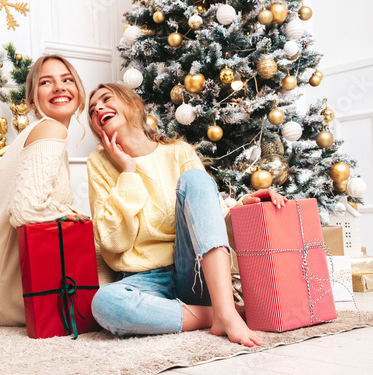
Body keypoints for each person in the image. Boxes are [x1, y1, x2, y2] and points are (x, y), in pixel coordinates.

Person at [86, 83, 287, 347]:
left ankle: (224, 310)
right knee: (106, 304)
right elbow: (114, 242)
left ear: (134, 105)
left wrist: (244, 205)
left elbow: (210, 219)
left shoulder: (178, 151)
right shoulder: (98, 163)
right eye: (91, 110)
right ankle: (221, 314)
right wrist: (128, 172)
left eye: (105, 99)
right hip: (145, 281)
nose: (98, 108)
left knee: (195, 178)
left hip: (195, 270)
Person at [0, 55, 89, 326]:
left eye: (67, 80)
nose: (59, 87)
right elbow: (26, 209)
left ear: (79, 91)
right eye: (47, 82)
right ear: (32, 101)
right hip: (5, 296)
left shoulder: (40, 132)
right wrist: (71, 213)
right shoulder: (51, 130)